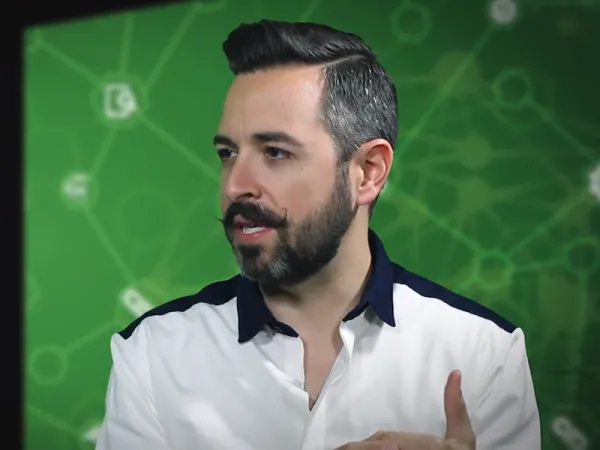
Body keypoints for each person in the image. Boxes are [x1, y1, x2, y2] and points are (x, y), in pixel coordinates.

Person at [95, 19, 541, 450]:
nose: (234, 186)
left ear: (368, 172)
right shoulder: (154, 353)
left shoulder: (485, 354)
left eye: (275, 152)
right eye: (228, 152)